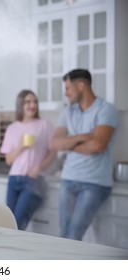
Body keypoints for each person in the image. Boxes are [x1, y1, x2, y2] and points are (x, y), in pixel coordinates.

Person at [52, 69, 119, 240]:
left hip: (94, 183)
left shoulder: (106, 109)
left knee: (73, 236)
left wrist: (69, 143)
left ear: (81, 86)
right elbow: (55, 143)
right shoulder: (68, 112)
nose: (65, 93)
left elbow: (98, 145)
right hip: (68, 179)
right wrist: (83, 137)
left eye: (68, 88)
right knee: (63, 235)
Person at [0, 90, 56, 230]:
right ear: (20, 105)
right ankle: (7, 252)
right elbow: (8, 160)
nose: (32, 105)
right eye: (27, 102)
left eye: (34, 101)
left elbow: (53, 153)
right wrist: (21, 146)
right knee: (7, 223)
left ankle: (12, 251)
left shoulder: (45, 125)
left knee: (18, 225)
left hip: (33, 181)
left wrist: (39, 168)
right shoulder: (12, 128)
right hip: (13, 180)